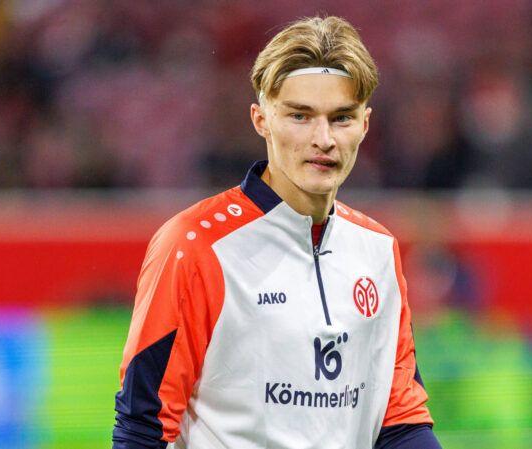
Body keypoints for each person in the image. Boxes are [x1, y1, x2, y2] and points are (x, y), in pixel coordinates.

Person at [112, 16, 440, 449]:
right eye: (300, 116)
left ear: (365, 124)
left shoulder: (377, 249)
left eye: (341, 118)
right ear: (261, 119)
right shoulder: (193, 245)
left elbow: (399, 422)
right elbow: (143, 427)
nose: (323, 139)